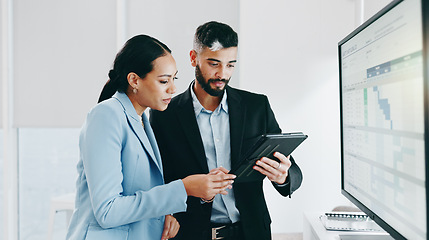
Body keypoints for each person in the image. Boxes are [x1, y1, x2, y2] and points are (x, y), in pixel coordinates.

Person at [66, 34, 235, 240]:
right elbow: (107, 211)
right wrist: (183, 188)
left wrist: (163, 215)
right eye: (164, 80)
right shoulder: (107, 115)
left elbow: (137, 192)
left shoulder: (143, 119)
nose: (173, 89)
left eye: (174, 79)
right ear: (134, 80)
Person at [150, 21, 303, 240]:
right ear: (194, 58)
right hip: (190, 234)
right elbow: (157, 180)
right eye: (214, 64)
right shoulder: (165, 113)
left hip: (251, 233)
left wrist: (284, 176)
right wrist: (163, 212)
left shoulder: (256, 107)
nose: (222, 73)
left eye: (230, 65)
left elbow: (292, 170)